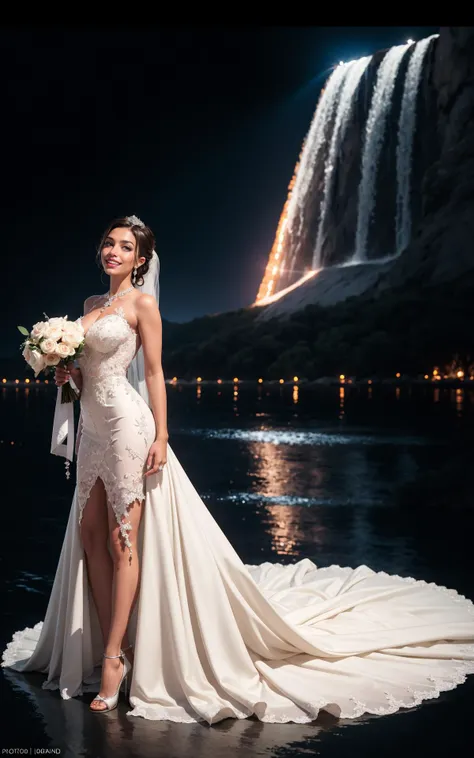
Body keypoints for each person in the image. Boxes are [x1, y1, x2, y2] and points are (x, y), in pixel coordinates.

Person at [2, 216, 474, 725]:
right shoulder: (92, 308)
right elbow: (83, 373)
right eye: (108, 244)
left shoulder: (143, 305)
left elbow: (156, 373)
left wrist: (161, 435)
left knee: (123, 540)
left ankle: (115, 657)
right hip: (92, 429)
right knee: (89, 536)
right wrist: (61, 369)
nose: (113, 252)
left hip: (126, 426)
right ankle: (106, 640)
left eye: (125, 247)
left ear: (141, 260)